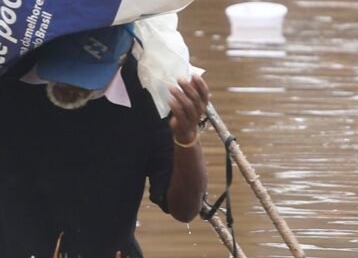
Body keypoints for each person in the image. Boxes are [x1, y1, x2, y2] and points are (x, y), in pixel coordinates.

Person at [0, 24, 210, 257]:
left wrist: (187, 138)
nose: (71, 85)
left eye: (86, 75)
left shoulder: (151, 93)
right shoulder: (9, 71)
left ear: (121, 60)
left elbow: (184, 210)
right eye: (65, 69)